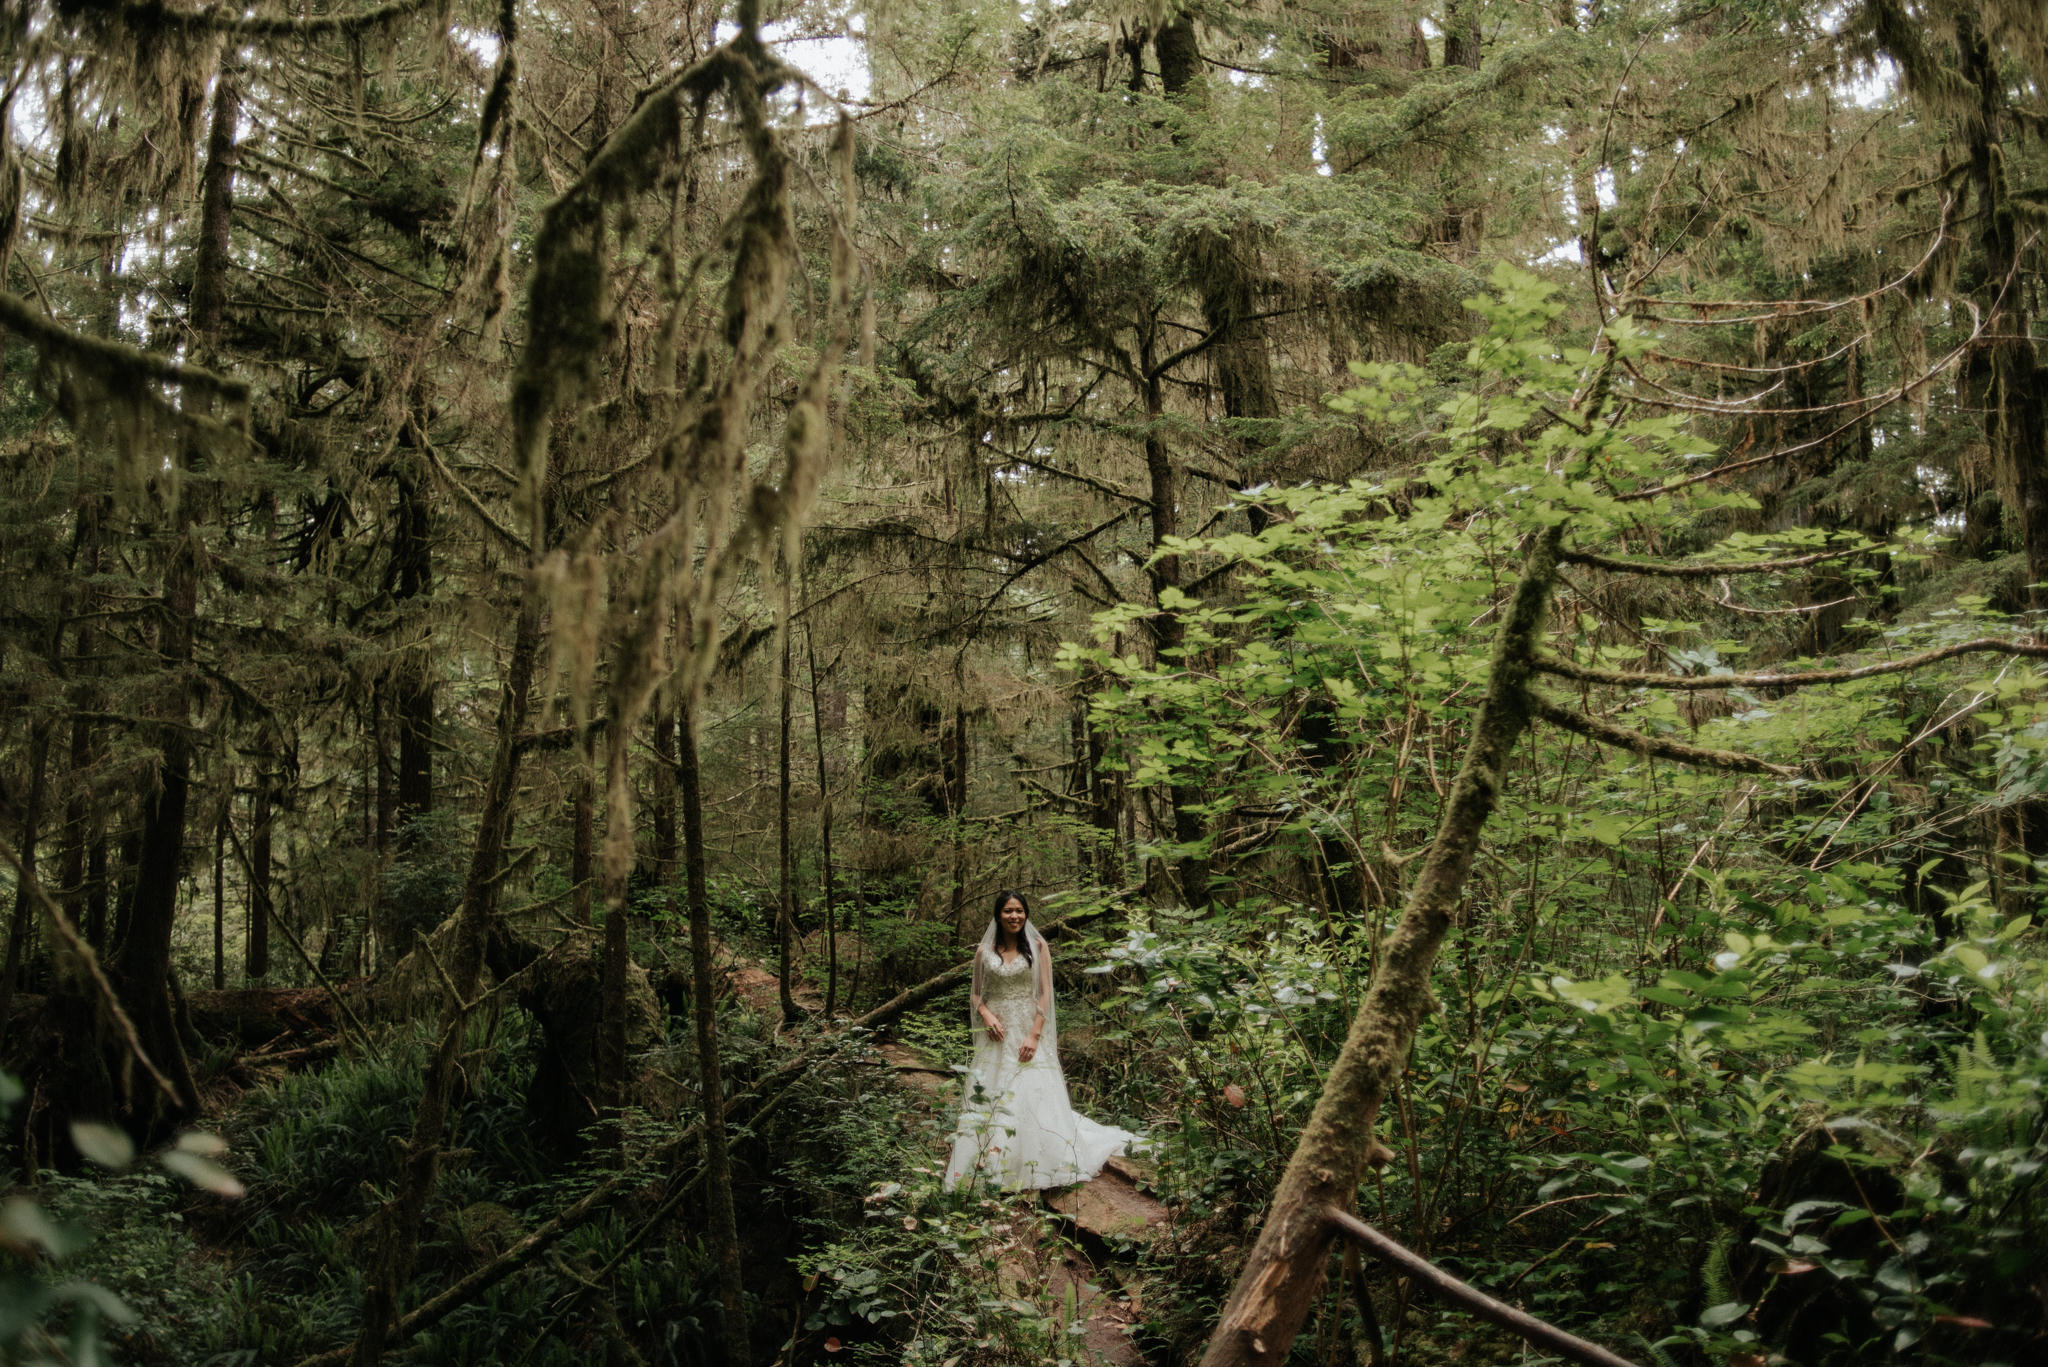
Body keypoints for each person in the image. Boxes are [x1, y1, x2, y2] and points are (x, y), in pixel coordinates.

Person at [943, 890, 1138, 1191]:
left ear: (1026, 914)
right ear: (998, 915)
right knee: (994, 1092)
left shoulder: (1037, 946)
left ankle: (1037, 1163)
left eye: (1019, 910)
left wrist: (1035, 1035)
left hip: (1028, 1026)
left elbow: (1045, 993)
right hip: (997, 1033)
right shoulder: (984, 952)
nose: (1014, 916)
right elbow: (976, 994)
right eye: (1008, 911)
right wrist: (986, 1014)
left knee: (1032, 1091)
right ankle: (991, 1166)